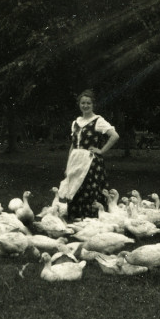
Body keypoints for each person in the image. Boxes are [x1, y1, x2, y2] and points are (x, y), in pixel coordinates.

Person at [58, 89, 120, 221]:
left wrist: (101, 150)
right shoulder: (76, 122)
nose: (85, 106)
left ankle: (92, 218)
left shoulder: (98, 120)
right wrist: (68, 165)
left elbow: (114, 136)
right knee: (75, 187)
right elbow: (73, 145)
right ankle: (76, 217)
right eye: (83, 103)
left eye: (88, 103)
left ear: (93, 105)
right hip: (76, 160)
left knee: (89, 187)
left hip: (90, 162)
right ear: (79, 104)